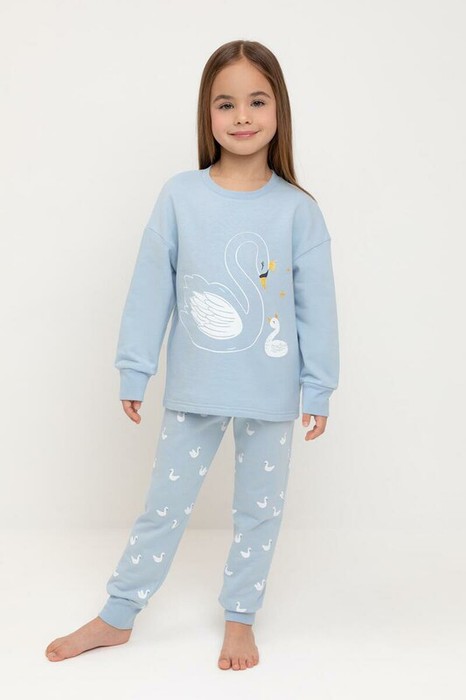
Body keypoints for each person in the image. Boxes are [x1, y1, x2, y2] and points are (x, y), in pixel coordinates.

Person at [45, 38, 340, 671]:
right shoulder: (181, 196)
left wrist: (319, 387)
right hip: (197, 386)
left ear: (280, 110)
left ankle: (240, 617)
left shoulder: (298, 212)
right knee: (164, 506)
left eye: (257, 101)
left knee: (259, 512)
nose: (242, 116)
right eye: (225, 104)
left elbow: (317, 308)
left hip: (271, 392)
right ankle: (118, 613)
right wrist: (135, 367)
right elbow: (150, 286)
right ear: (207, 114)